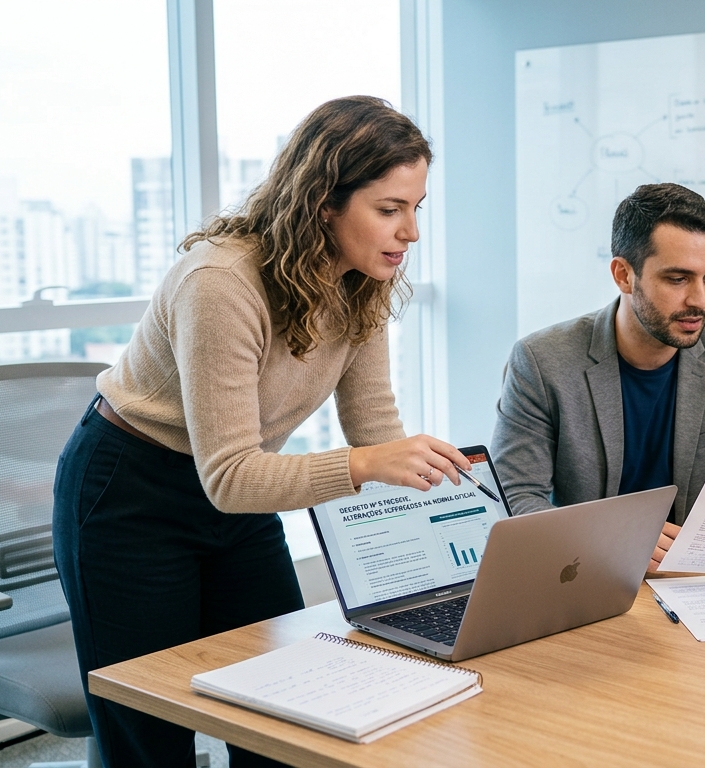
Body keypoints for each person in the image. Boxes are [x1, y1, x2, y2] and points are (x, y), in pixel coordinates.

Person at [53, 97, 471, 767]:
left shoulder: (360, 281)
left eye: (416, 208)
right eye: (390, 210)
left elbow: (376, 430)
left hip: (240, 502)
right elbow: (232, 476)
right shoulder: (222, 282)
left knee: (287, 720)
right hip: (130, 493)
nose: (411, 232)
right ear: (323, 203)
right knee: (148, 735)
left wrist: (451, 539)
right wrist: (368, 464)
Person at [491, 183, 705, 588]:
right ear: (624, 275)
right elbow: (513, 498)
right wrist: (617, 535)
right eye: (678, 279)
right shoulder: (542, 361)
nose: (700, 300)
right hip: (584, 579)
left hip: (695, 585)